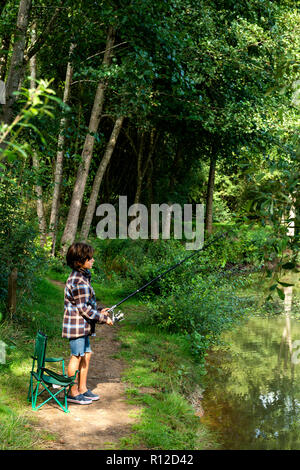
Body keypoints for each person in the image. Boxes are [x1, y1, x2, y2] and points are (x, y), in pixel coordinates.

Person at [62, 242, 113, 405]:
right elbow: (83, 309)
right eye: (89, 258)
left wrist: (99, 310)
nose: (93, 260)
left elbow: (84, 303)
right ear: (79, 262)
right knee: (76, 357)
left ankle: (82, 388)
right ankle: (72, 391)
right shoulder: (79, 281)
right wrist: (103, 318)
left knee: (87, 355)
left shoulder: (83, 276)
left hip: (82, 325)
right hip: (76, 326)